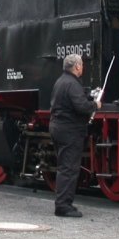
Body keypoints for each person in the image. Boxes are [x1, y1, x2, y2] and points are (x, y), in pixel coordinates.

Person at [49, 53, 101, 217]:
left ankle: (63, 203)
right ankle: (63, 206)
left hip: (58, 127)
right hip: (69, 130)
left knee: (64, 167)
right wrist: (95, 104)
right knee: (69, 168)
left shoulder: (61, 81)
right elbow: (81, 106)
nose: (83, 68)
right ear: (77, 66)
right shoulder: (72, 83)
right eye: (82, 65)